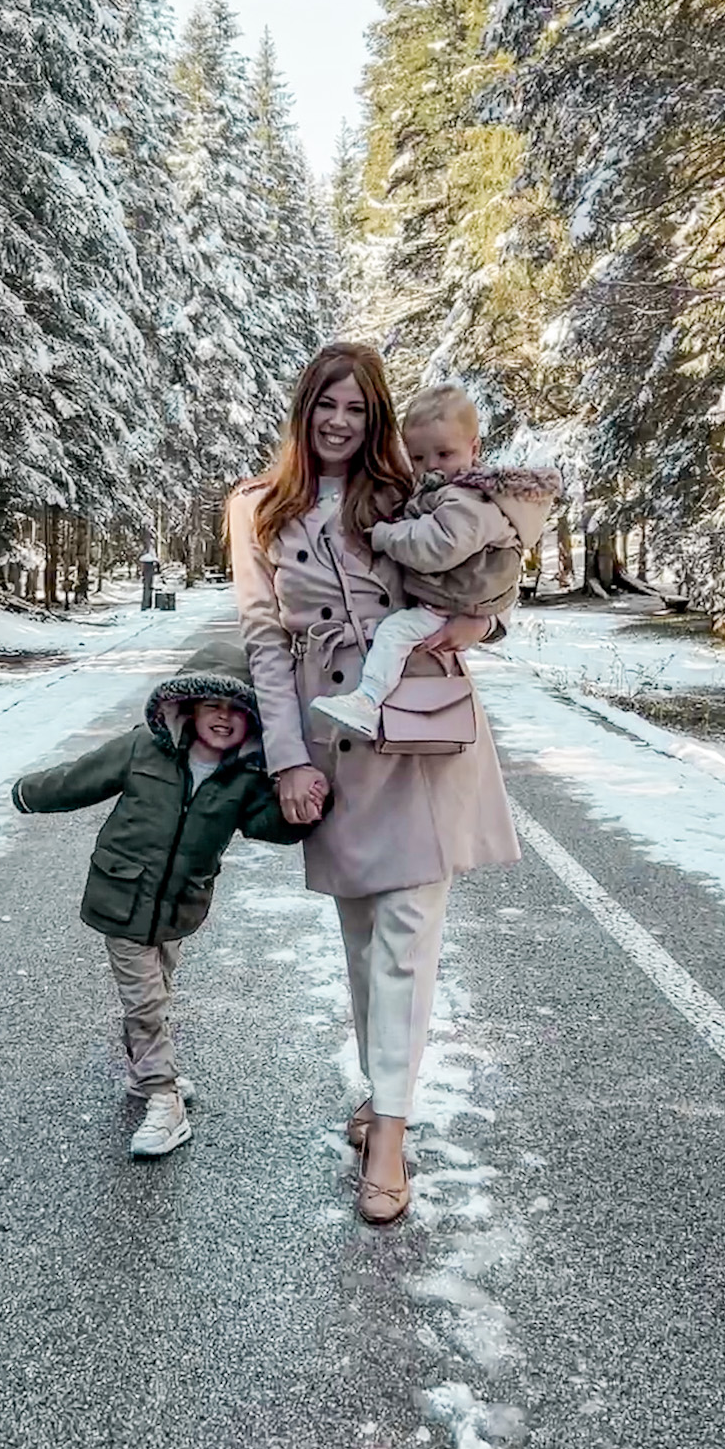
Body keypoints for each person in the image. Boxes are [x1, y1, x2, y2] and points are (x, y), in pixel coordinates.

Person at [228, 344, 527, 1225]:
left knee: (406, 936)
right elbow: (262, 645)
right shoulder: (255, 509)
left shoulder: (407, 492)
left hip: (423, 731)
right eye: (328, 403)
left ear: (377, 418)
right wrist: (287, 759)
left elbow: (488, 553)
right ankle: (379, 1092)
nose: (340, 422)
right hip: (334, 736)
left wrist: (485, 621)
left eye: (358, 409)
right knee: (363, 942)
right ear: (304, 407)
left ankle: (390, 1133)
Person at [12, 639, 315, 1159]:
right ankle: (163, 1097)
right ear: (187, 706)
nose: (223, 717)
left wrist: (304, 810)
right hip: (121, 896)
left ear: (255, 719)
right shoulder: (141, 749)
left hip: (179, 906)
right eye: (212, 705)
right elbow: (78, 780)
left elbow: (271, 825)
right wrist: (29, 792)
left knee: (157, 996)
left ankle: (144, 1072)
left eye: (237, 709)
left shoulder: (244, 775)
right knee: (145, 1003)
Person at [310, 383, 559, 739]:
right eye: (419, 458)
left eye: (444, 455)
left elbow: (445, 546)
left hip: (442, 624)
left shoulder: (463, 497)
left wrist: (485, 622)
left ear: (474, 449)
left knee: (394, 634)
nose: (431, 468)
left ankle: (367, 699)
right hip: (437, 609)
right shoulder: (441, 491)